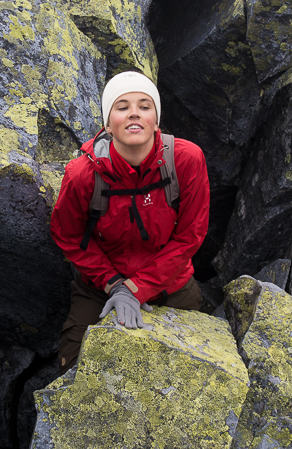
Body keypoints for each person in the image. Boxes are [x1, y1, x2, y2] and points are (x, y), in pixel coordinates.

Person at [50, 70, 210, 371]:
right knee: (74, 370)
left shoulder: (186, 160)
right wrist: (115, 285)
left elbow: (191, 235)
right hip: (100, 287)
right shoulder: (82, 175)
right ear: (107, 124)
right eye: (122, 107)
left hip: (172, 285)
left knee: (188, 375)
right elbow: (68, 235)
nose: (134, 113)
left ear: (156, 121)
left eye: (144, 106)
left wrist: (136, 289)